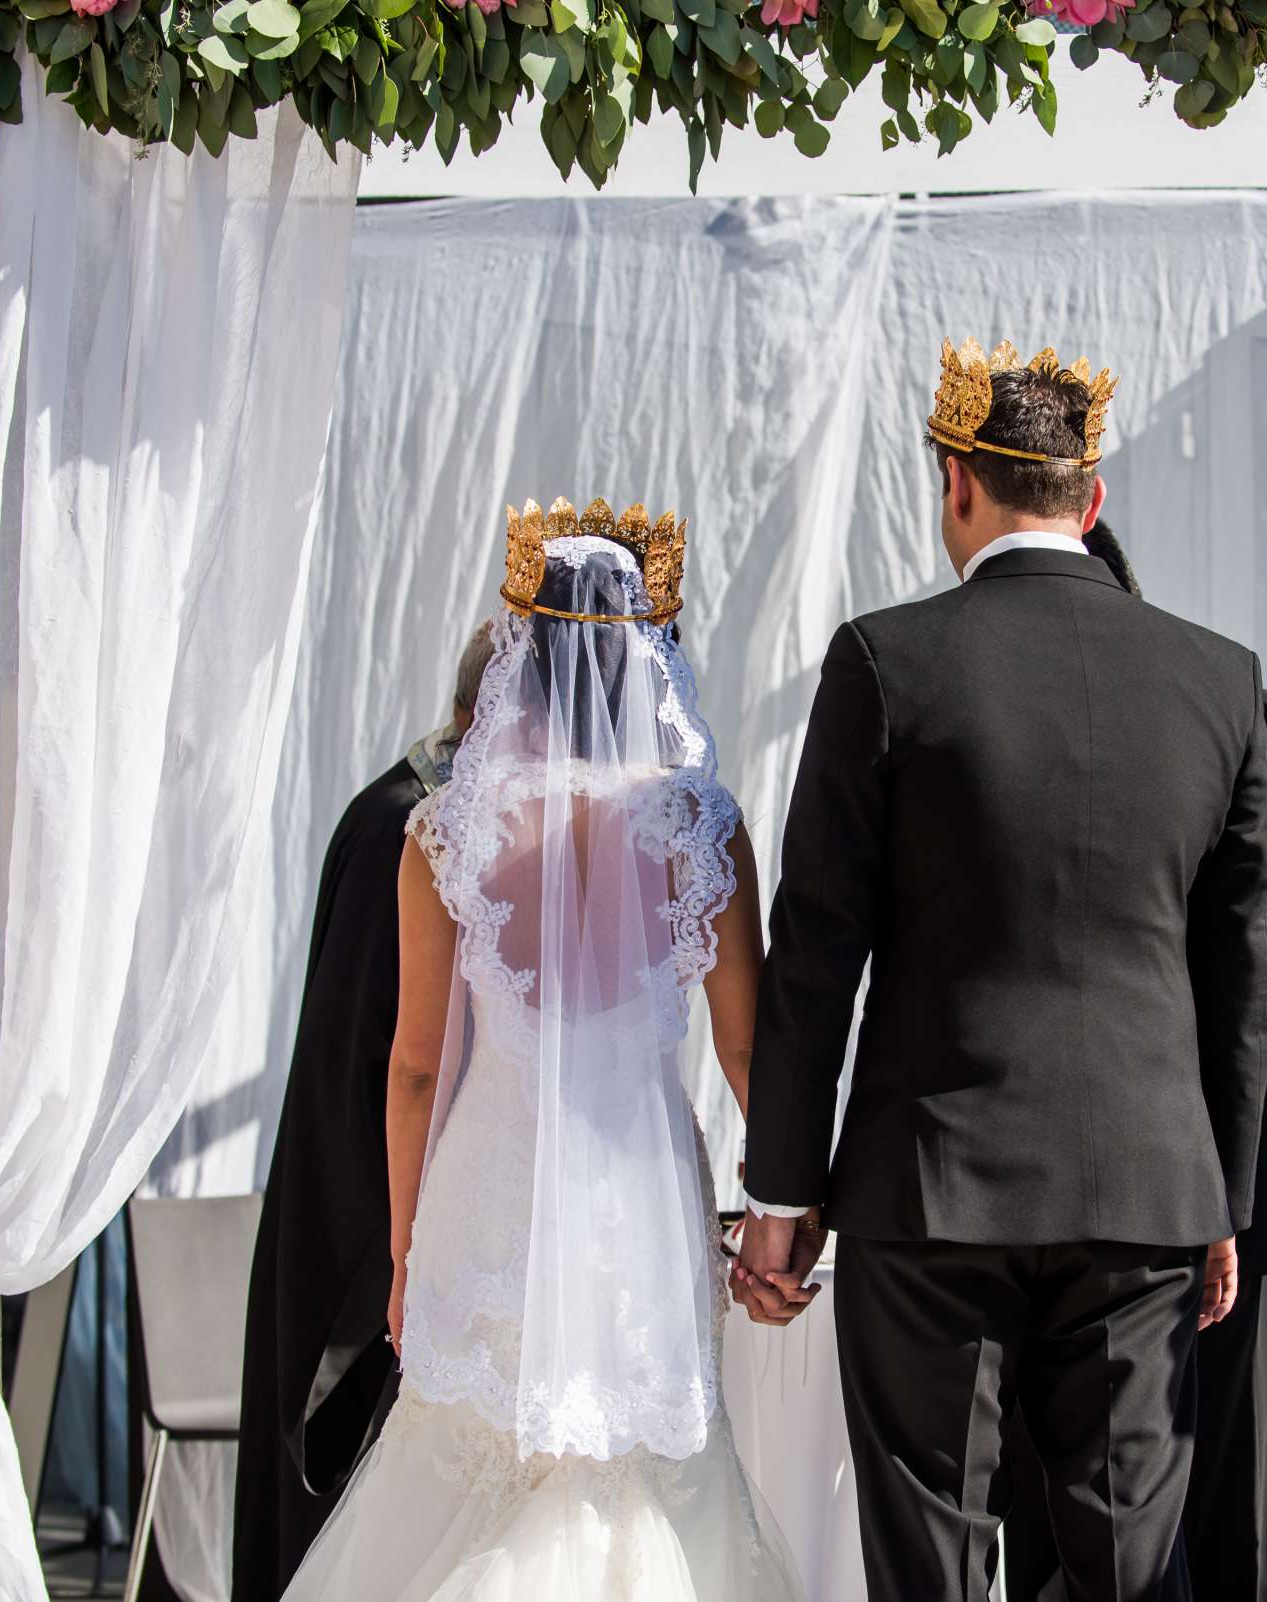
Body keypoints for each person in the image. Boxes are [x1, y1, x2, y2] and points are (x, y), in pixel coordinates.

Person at [739, 341, 1267, 1602]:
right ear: (1090, 502)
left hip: (929, 1192)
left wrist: (780, 1194)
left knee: (932, 1558)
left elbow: (816, 949)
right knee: (1128, 1565)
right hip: (1146, 1195)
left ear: (955, 485)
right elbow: (1240, 980)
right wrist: (1223, 1202)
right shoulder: (1223, 683)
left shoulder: (884, 662)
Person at [279, 504, 802, 1601]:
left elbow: (416, 1066)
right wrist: (783, 1214)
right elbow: (751, 1052)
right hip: (640, 1203)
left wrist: (410, 1249)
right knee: (642, 1467)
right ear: (647, 651)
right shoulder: (702, 828)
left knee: (468, 1467)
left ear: (521, 652)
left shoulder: (445, 835)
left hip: (488, 1189)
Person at [999, 521, 1267, 1602]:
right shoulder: (1007, 732)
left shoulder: (1254, 720)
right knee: (1047, 1499)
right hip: (1036, 1174)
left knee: (1215, 1500)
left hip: (1217, 1164)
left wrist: (1185, 850)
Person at [233, 623, 496, 1602]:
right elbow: (390, 1062)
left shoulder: (413, 807)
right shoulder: (413, 824)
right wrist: (408, 1243)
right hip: (359, 1223)